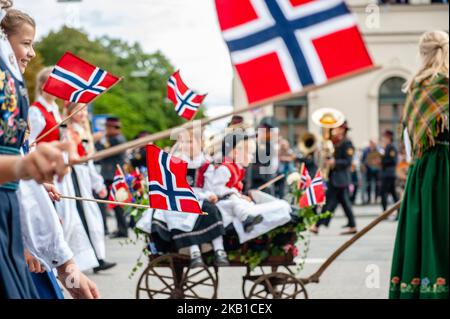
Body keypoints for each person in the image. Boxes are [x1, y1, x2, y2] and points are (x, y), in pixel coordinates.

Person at [1, 1, 98, 298]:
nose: (30, 53)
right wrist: (23, 168)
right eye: (26, 44)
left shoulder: (11, 84)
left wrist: (66, 266)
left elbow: (22, 187)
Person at [389, 30, 448, 299]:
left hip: (422, 170)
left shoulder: (413, 89)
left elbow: (409, 140)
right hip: (445, 167)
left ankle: (420, 289)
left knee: (425, 232)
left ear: (422, 54)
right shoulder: (446, 86)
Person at [29, 67, 99, 272]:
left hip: (61, 171)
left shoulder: (55, 110)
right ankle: (55, 267)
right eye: (55, 83)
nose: (61, 88)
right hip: (45, 170)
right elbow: (30, 143)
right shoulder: (35, 110)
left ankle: (70, 266)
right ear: (44, 86)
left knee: (68, 218)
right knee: (56, 220)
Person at [138, 129, 229, 268]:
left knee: (211, 209)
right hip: (182, 198)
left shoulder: (206, 164)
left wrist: (210, 195)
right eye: (185, 142)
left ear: (201, 143)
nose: (187, 145)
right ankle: (194, 252)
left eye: (191, 142)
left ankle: (219, 250)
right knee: (179, 211)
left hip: (201, 198)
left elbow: (209, 188)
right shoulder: (176, 162)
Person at [203, 132, 292, 244]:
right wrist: (236, 194)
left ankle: (251, 218)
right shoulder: (225, 169)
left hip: (232, 201)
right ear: (235, 152)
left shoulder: (235, 168)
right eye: (249, 153)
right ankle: (247, 220)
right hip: (223, 204)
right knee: (239, 202)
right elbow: (216, 189)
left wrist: (240, 195)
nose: (251, 157)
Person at [67, 102, 117, 272]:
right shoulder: (68, 130)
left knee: (92, 218)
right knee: (78, 219)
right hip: (73, 177)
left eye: (85, 110)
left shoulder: (82, 130)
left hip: (84, 175)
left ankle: (97, 258)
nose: (82, 113)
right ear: (70, 112)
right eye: (78, 110)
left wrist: (97, 183)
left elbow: (88, 160)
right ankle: (86, 260)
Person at [311, 121, 358, 235]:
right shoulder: (334, 142)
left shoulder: (347, 143)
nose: (334, 130)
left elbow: (348, 162)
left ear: (343, 129)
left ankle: (317, 226)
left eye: (337, 128)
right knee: (344, 203)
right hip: (335, 178)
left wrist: (334, 162)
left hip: (341, 178)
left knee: (328, 202)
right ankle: (352, 225)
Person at [95, 116, 129, 238]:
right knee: (116, 205)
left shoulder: (116, 139)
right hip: (111, 175)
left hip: (112, 176)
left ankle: (122, 230)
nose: (106, 130)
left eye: (108, 128)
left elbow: (101, 151)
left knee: (117, 205)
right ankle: (120, 229)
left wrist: (98, 140)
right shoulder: (113, 139)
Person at [380, 130, 399, 213]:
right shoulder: (387, 147)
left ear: (389, 138)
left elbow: (393, 161)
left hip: (389, 174)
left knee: (384, 193)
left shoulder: (392, 147)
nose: (384, 139)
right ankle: (398, 211)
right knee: (393, 194)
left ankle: (385, 211)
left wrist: (382, 162)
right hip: (387, 173)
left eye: (385, 137)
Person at [361, 139, 382, 204]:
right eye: (372, 143)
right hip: (369, 170)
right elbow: (363, 160)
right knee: (368, 185)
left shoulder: (378, 149)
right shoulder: (366, 150)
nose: (373, 144)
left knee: (377, 185)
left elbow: (381, 158)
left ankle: (376, 198)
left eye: (374, 143)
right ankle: (369, 199)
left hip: (377, 170)